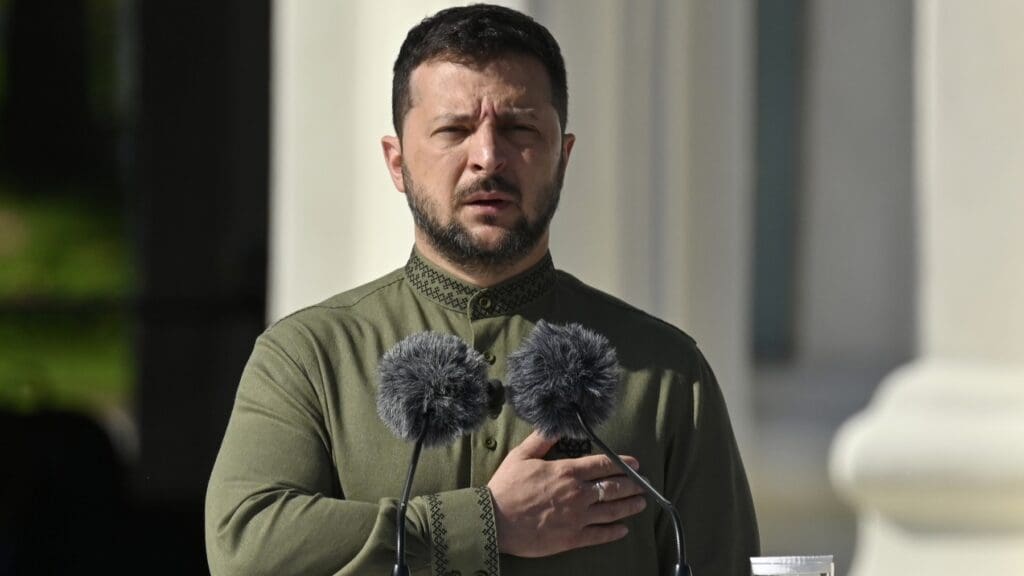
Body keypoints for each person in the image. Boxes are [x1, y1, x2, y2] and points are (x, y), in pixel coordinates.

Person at [205, 4, 759, 575]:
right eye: (454, 130)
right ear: (397, 163)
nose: (488, 158)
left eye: (519, 129)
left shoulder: (665, 373)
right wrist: (484, 522)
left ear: (562, 158)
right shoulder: (310, 357)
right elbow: (244, 549)